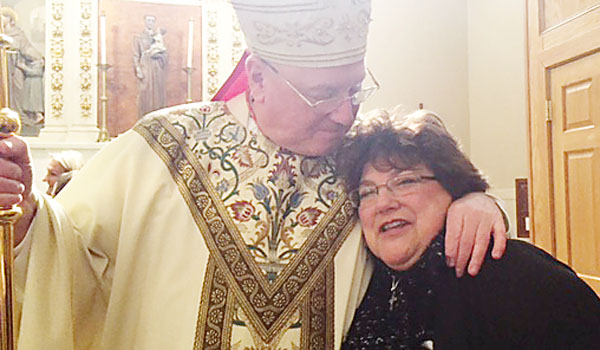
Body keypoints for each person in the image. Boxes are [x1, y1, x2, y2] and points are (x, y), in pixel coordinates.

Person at [0, 1, 508, 349]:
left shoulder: (364, 165)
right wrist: (21, 216)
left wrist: (473, 198)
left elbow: (420, 218)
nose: (345, 113)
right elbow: (65, 260)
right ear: (259, 79)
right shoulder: (162, 147)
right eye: (324, 94)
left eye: (354, 90)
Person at [335, 108, 600, 349]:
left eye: (404, 181)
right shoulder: (362, 287)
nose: (383, 203)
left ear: (454, 188)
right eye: (368, 192)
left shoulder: (516, 277)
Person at [0, 7, 45, 132]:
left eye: (3, 17)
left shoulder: (17, 32)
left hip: (17, 68)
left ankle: (20, 119)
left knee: (18, 94)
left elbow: (17, 45)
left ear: (9, 19)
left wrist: (4, 38)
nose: (1, 19)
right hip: (4, 69)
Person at [133, 14, 168, 119]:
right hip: (146, 67)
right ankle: (144, 118)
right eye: (148, 20)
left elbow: (164, 54)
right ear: (144, 21)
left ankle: (158, 119)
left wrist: (160, 56)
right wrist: (138, 69)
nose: (150, 23)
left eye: (152, 21)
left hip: (157, 68)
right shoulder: (138, 37)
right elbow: (136, 55)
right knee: (145, 92)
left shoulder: (158, 37)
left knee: (158, 93)